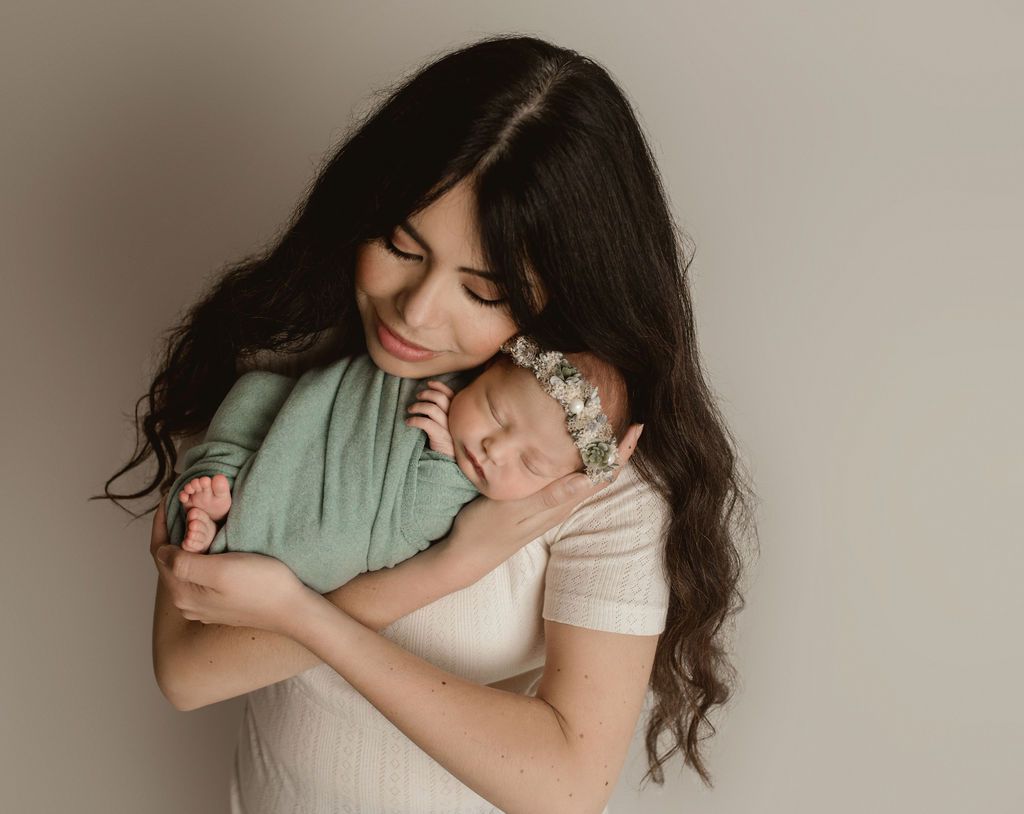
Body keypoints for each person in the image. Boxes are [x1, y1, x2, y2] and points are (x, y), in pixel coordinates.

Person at [99, 33, 755, 814]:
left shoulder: (580, 480)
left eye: (481, 291)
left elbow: (567, 785)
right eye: (401, 247)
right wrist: (437, 572)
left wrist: (301, 613)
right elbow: (187, 672)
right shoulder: (293, 379)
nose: (415, 310)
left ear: (556, 299)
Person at [167, 337, 629, 596]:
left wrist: (446, 462)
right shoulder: (443, 369)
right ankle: (224, 488)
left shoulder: (472, 496)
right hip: (298, 432)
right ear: (487, 369)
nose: (493, 449)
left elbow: (412, 526)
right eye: (495, 412)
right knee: (255, 397)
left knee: (324, 542)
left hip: (336, 523)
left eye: (529, 463)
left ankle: (228, 528)